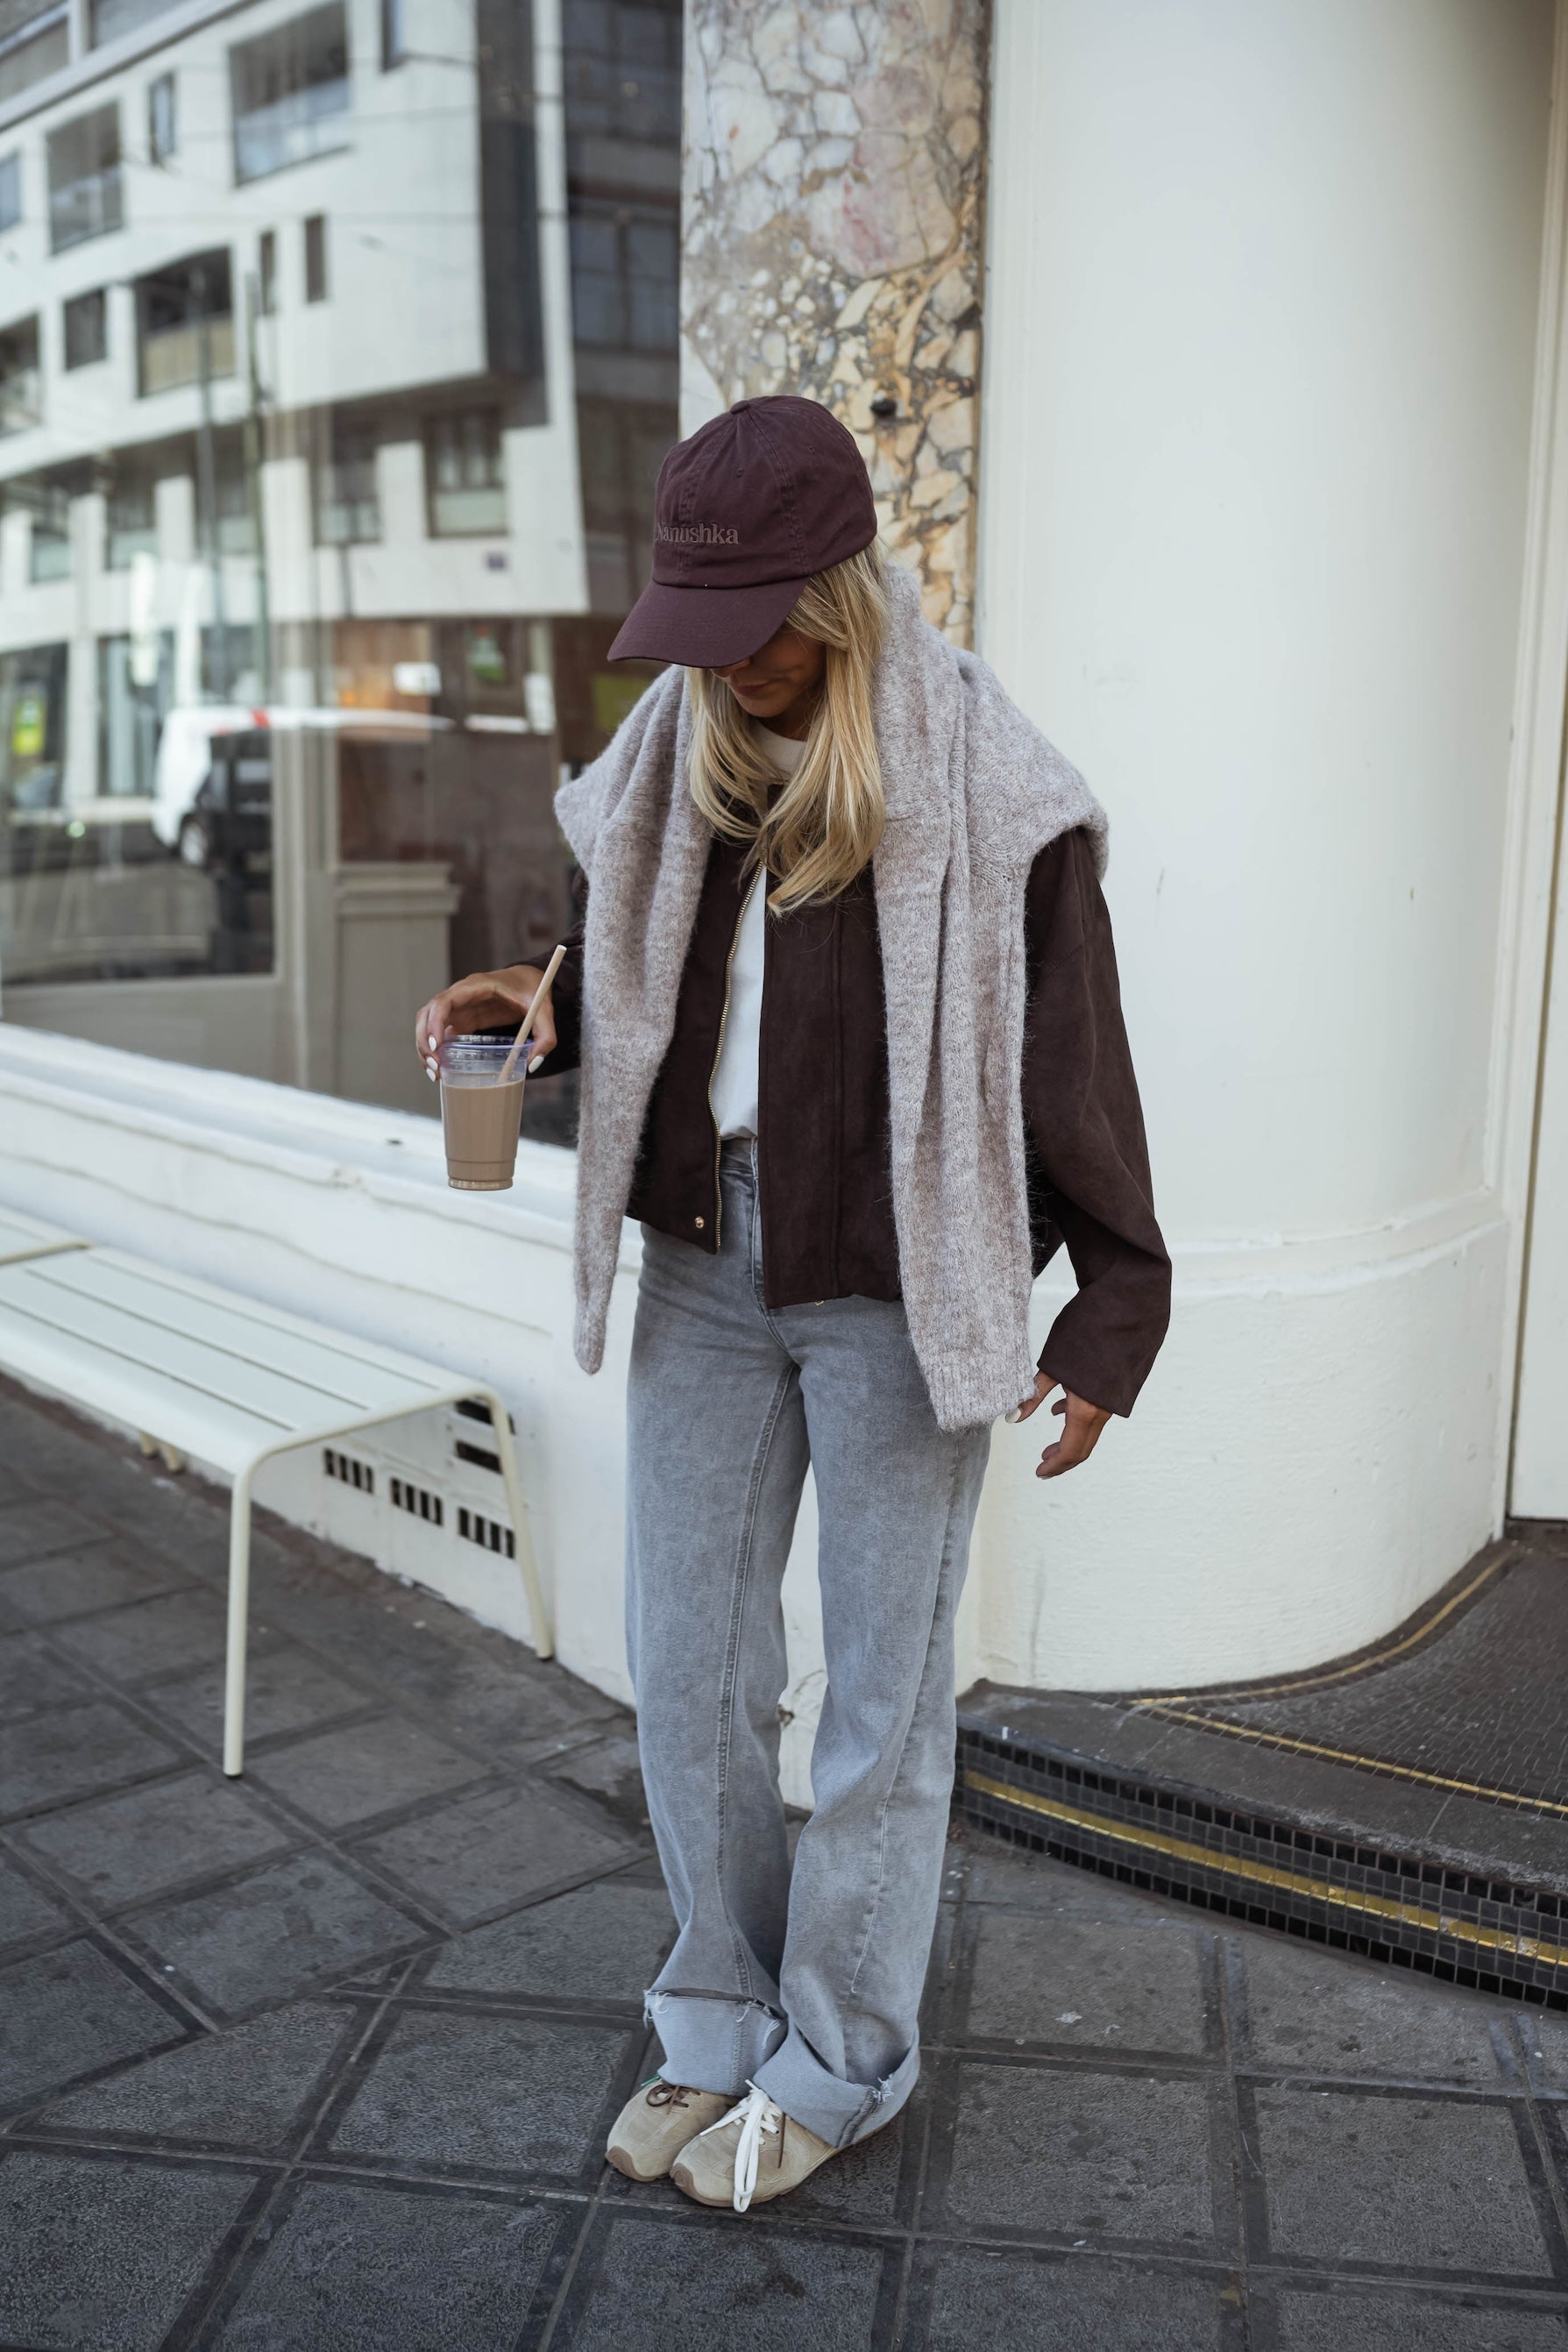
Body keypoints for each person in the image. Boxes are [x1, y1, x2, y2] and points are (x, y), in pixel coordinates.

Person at [413, 395, 1170, 2214]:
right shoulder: (673, 750)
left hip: (901, 1284)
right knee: (688, 1672)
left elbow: (1070, 1057)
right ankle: (717, 2012)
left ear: (834, 598)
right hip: (704, 1261)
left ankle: (837, 2056)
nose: (727, 664)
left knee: (878, 1712)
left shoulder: (990, 784)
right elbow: (628, 977)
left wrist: (1112, 1310)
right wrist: (529, 1008)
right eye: (700, 626)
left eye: (756, 626)